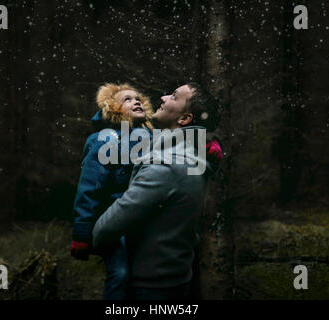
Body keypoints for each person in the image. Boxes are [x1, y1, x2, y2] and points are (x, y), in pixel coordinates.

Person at [92, 83, 222, 300]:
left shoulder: (166, 167)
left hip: (151, 287)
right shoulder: (193, 158)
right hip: (175, 278)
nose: (162, 98)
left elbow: (104, 231)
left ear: (184, 119)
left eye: (173, 96)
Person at [70, 83, 154, 300]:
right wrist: (81, 233)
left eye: (138, 99)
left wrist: (208, 147)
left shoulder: (152, 138)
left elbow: (181, 145)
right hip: (111, 221)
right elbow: (89, 188)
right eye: (127, 99)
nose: (135, 101)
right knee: (120, 273)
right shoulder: (104, 140)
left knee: (142, 277)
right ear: (113, 108)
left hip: (140, 221)